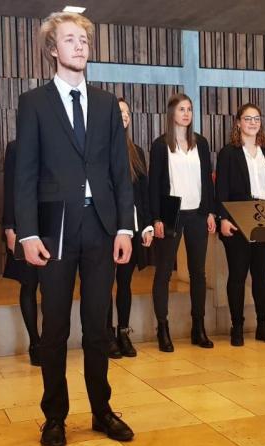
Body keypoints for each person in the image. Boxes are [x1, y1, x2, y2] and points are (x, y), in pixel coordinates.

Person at [15, 11, 135, 446]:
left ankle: (102, 410)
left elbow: (120, 172)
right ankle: (54, 417)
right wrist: (27, 234)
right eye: (70, 39)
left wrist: (125, 227)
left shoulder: (105, 104)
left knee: (99, 327)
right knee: (55, 329)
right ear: (53, 49)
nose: (80, 46)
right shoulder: (33, 103)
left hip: (102, 227)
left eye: (83, 39)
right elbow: (25, 174)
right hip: (55, 231)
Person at [149, 93, 217, 351]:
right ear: (172, 114)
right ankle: (163, 328)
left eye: (189, 109)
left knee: (198, 273)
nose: (186, 113)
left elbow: (207, 180)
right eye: (181, 109)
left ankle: (198, 327)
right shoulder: (160, 145)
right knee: (164, 271)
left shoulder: (201, 143)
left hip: (198, 213)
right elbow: (154, 184)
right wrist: (156, 217)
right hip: (171, 213)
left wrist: (210, 212)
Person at [215, 103, 265, 346]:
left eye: (256, 118)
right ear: (238, 122)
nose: (253, 123)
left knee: (261, 275)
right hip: (237, 218)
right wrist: (223, 218)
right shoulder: (228, 153)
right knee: (237, 275)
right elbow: (221, 188)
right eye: (248, 118)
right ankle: (237, 327)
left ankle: (263, 325)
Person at [106, 97, 153, 358]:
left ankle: (123, 332)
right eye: (119, 111)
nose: (124, 115)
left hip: (131, 227)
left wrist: (146, 226)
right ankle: (106, 334)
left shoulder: (137, 152)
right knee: (104, 284)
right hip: (106, 228)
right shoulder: (100, 148)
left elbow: (143, 194)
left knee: (125, 283)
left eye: (127, 112)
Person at [1, 140, 41, 365]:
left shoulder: (58, 142)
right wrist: (9, 228)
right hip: (24, 224)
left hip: (52, 223)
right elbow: (9, 189)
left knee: (53, 286)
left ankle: (50, 340)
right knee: (29, 283)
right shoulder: (17, 147)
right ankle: (35, 342)